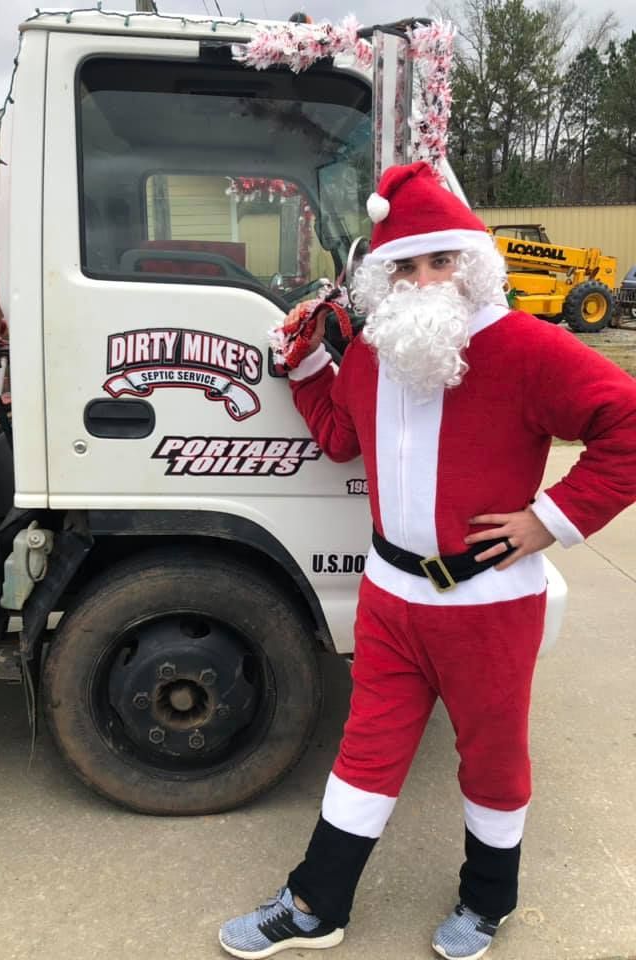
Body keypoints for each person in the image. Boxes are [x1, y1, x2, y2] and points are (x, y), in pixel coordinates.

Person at [218, 162, 636, 960]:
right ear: (383, 279)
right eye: (404, 267)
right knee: (365, 751)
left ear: (471, 262)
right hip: (390, 598)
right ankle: (316, 903)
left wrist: (550, 519)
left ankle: (487, 901)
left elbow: (628, 425)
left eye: (439, 260)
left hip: (488, 607)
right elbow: (341, 435)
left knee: (493, 757)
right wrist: (306, 367)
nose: (423, 279)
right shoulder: (376, 356)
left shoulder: (526, 348)